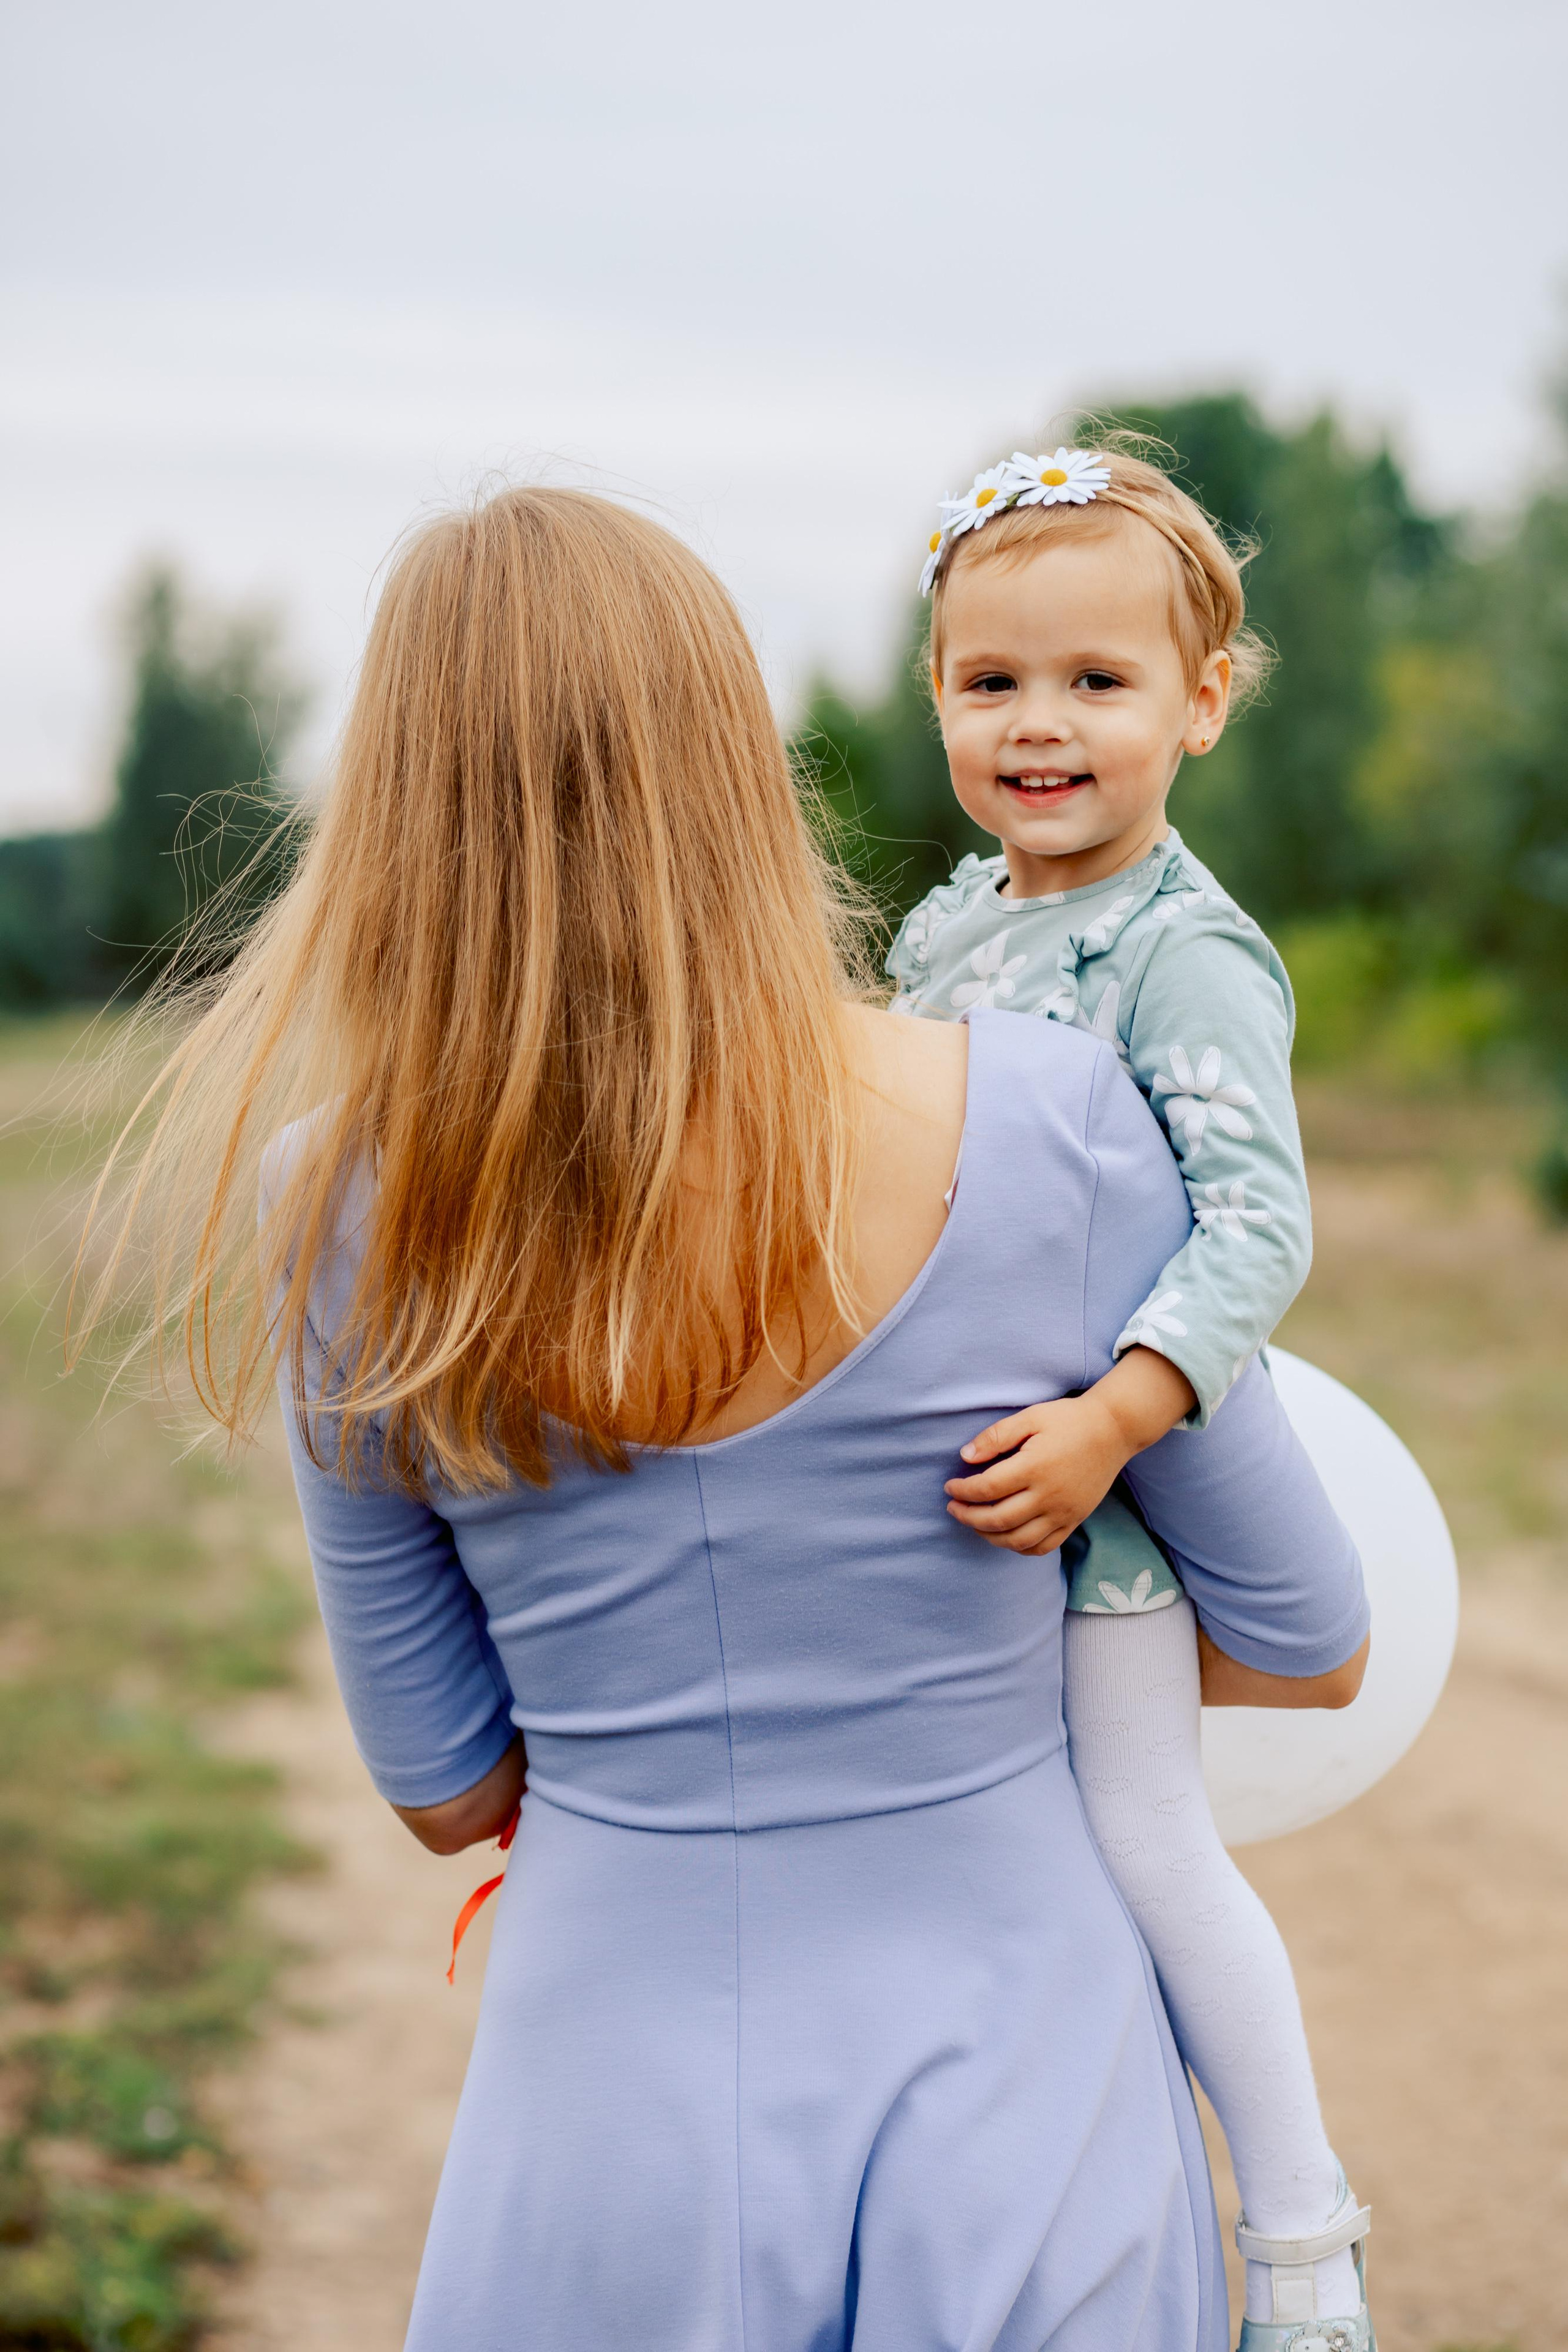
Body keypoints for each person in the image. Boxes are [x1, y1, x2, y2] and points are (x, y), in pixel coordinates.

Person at [81, 486, 1370, 2352]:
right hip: (1028, 2100)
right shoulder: (1054, 1122)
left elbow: (448, 1789)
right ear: (734, 762)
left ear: (396, 812)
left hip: (604, 2123)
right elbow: (1311, 1637)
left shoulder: (329, 1208)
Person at [889, 442, 1374, 2345]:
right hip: (948, 1504)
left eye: (1097, 684)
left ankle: (1303, 2234)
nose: (1041, 726)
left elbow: (1259, 1226)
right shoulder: (941, 935)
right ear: (936, 692)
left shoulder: (1183, 953)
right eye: (993, 681)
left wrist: (1119, 1414)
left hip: (1099, 1522)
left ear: (1203, 703)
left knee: (1152, 1847)